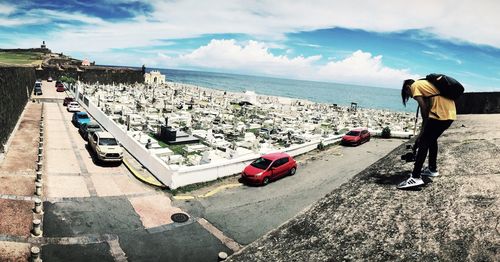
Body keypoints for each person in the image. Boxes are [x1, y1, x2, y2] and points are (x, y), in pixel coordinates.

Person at [398, 78, 456, 189]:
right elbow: (428, 106)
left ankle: (415, 177)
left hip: (440, 115)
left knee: (424, 142)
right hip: (450, 114)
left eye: (408, 94)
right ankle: (432, 169)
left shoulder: (414, 86)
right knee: (432, 140)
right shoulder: (426, 85)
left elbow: (424, 110)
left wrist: (422, 132)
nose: (411, 96)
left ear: (407, 87)